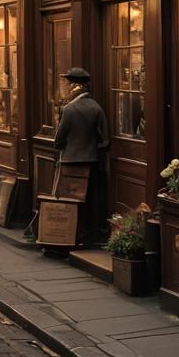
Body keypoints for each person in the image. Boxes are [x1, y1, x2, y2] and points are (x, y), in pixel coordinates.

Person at [54, 67, 109, 239]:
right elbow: (105, 140)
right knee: (90, 199)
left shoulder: (69, 109)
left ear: (75, 86)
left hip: (71, 160)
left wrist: (64, 145)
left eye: (68, 83)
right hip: (91, 160)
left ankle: (71, 233)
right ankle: (90, 231)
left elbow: (59, 138)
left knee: (69, 199)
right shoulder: (96, 108)